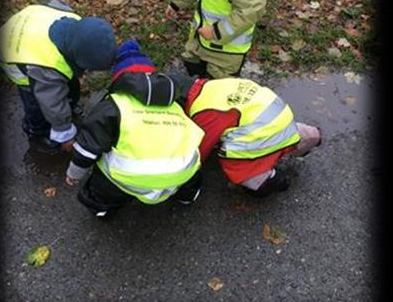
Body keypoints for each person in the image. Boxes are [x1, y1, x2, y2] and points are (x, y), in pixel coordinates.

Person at [114, 42, 322, 198]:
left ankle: (269, 179)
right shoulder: (208, 87)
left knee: (235, 165)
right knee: (280, 131)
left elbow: (199, 151)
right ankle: (307, 135)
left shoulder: (203, 113)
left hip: (262, 133)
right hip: (276, 112)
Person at [64, 39, 205, 218]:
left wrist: (74, 174)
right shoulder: (174, 104)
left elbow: (87, 149)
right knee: (188, 159)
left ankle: (102, 208)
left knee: (104, 174)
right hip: (182, 173)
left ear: (119, 79)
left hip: (131, 178)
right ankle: (188, 196)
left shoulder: (112, 106)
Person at [0, 0, 117, 153]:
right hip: (13, 54)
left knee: (65, 83)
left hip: (31, 22)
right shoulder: (47, 68)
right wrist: (64, 133)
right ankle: (35, 131)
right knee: (35, 101)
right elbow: (52, 103)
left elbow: (52, 3)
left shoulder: (75, 22)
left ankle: (69, 104)